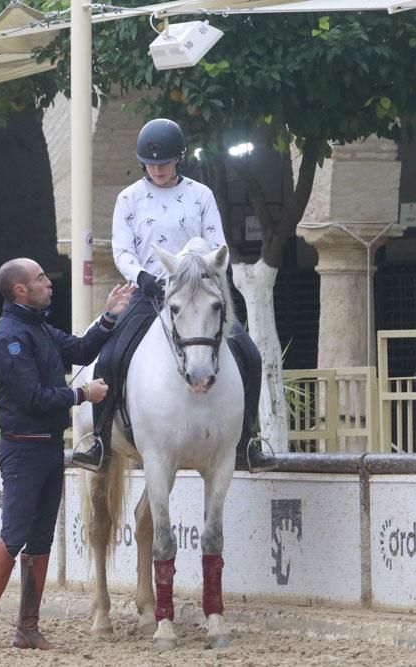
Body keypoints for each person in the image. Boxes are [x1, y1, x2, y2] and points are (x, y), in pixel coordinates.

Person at [72, 118, 277, 474]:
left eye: (164, 163)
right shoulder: (129, 199)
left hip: (196, 291)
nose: (158, 170)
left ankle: (249, 439)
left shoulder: (201, 195)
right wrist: (142, 276)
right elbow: (122, 251)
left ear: (178, 159)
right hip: (148, 291)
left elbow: (218, 244)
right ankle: (100, 439)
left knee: (249, 353)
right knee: (111, 355)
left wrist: (206, 272)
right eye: (151, 164)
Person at [0, 257, 133, 655]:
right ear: (20, 289)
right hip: (22, 449)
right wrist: (81, 394)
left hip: (47, 448)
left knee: (40, 539)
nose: (49, 283)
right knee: (13, 535)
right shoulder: (10, 337)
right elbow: (32, 397)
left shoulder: (37, 326)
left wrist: (109, 317)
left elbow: (80, 348)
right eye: (40, 278)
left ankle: (28, 629)